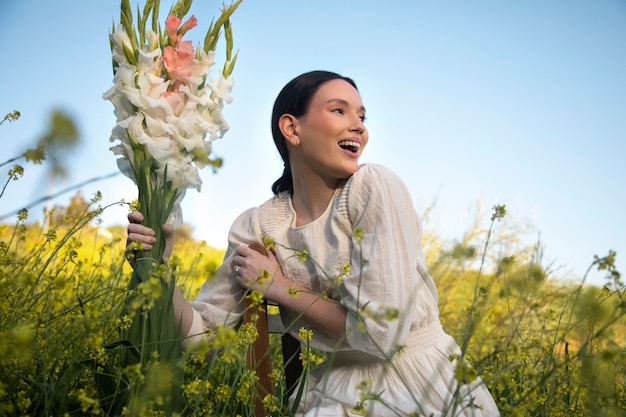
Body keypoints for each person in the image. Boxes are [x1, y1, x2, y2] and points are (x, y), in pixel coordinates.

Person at [126, 70, 500, 416]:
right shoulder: (257, 226)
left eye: (362, 116)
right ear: (291, 128)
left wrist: (278, 287)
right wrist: (158, 266)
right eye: (339, 110)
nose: (358, 126)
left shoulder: (374, 188)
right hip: (331, 390)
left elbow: (382, 334)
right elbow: (201, 336)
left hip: (420, 383)